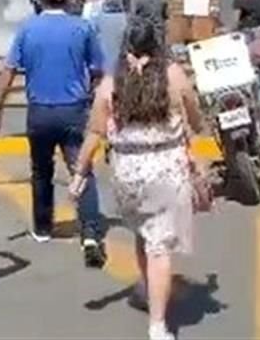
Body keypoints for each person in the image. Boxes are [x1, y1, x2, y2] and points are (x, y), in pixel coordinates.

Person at [71, 17, 205, 340]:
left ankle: (147, 290)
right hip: (165, 172)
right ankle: (158, 325)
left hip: (128, 174)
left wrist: (79, 173)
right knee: (160, 246)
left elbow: (94, 132)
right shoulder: (173, 75)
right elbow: (195, 115)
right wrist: (194, 127)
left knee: (143, 233)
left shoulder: (111, 82)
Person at [0, 0, 107, 267]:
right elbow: (97, 70)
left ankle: (43, 227)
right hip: (73, 110)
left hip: (39, 111)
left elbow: (8, 72)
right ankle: (91, 233)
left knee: (41, 171)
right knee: (81, 170)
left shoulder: (27, 29)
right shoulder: (82, 28)